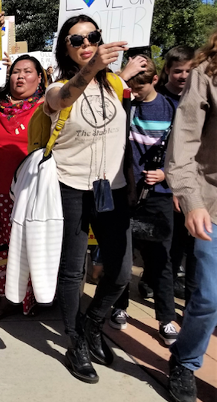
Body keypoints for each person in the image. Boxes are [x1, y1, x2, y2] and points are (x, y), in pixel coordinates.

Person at [44, 15, 130, 384]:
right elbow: (63, 99)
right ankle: (75, 341)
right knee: (72, 270)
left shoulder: (116, 84)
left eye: (92, 37)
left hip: (113, 187)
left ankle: (93, 324)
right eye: (76, 40)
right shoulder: (57, 87)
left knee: (121, 271)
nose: (86, 44)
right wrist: (91, 67)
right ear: (65, 49)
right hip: (71, 186)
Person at [0, 54, 47, 320]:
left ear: (39, 77)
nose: (20, 76)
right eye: (15, 71)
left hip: (24, 188)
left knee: (17, 246)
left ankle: (11, 297)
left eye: (27, 71)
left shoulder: (46, 105)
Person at [108, 57, 178, 346]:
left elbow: (184, 151)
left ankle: (166, 318)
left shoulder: (171, 108)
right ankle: (119, 306)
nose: (135, 93)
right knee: (122, 255)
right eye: (131, 87)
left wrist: (166, 173)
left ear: (155, 81)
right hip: (125, 190)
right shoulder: (125, 104)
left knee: (160, 257)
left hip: (158, 195)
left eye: (140, 87)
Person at [164, 34, 217, 402]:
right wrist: (190, 197)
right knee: (210, 296)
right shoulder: (206, 72)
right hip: (210, 203)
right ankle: (185, 359)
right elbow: (183, 142)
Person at [157, 46, 196, 303]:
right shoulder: (158, 99)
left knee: (195, 247)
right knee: (170, 245)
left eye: (189, 71)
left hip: (196, 183)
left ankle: (192, 301)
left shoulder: (201, 98)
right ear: (168, 71)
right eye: (178, 71)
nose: (183, 76)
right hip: (165, 184)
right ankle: (163, 291)